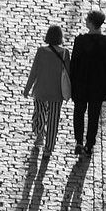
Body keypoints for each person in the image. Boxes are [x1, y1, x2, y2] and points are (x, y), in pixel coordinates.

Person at [69, 8, 106, 155]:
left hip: (81, 84)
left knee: (79, 112)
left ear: (91, 23)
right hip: (98, 87)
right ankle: (89, 144)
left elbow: (73, 65)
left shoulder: (80, 41)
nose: (85, 21)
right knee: (94, 116)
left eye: (87, 19)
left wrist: (70, 83)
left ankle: (79, 141)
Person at [23, 25, 69, 155]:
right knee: (53, 119)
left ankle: (39, 135)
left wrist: (27, 89)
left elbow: (34, 72)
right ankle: (48, 148)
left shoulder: (41, 51)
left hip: (40, 91)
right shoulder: (65, 53)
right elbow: (68, 74)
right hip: (57, 93)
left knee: (39, 114)